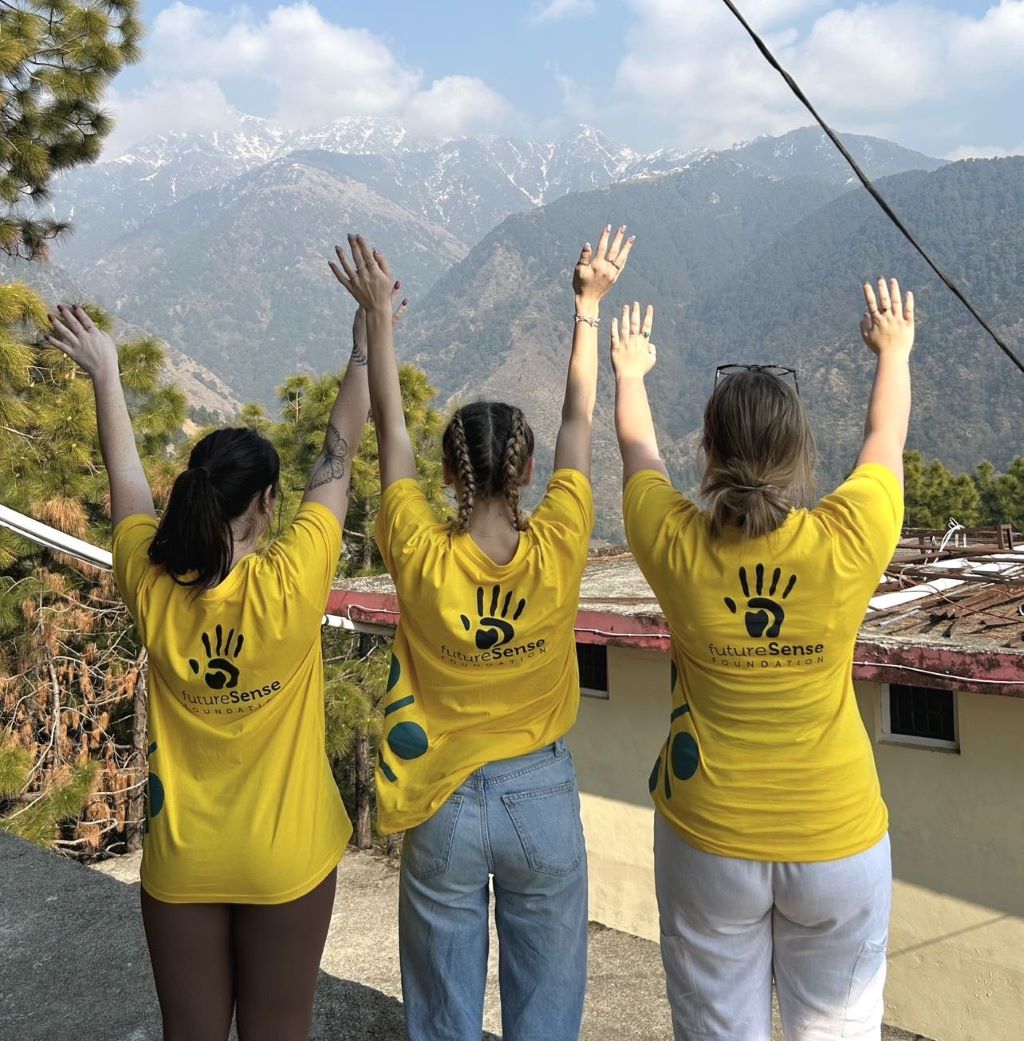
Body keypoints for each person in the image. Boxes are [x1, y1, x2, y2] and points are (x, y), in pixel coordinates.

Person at [44, 263, 406, 1041]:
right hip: (287, 858)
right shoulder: (294, 580)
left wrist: (106, 369)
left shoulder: (153, 583)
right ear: (268, 504)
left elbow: (125, 479)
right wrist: (362, 346)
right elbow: (338, 454)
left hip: (184, 864)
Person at [330, 227, 633, 1040]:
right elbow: (579, 416)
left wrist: (377, 324)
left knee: (443, 1013)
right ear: (528, 471)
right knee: (548, 1005)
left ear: (449, 476)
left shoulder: (420, 553)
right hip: (541, 796)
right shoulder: (563, 540)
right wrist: (587, 308)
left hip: (444, 801)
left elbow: (389, 429)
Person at [612, 279, 913, 1041]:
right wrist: (894, 350)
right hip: (838, 835)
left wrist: (630, 372)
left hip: (708, 835)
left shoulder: (675, 545)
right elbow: (886, 439)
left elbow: (638, 452)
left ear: (708, 451)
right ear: (803, 450)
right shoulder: (848, 541)